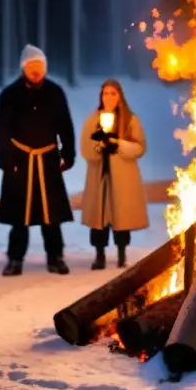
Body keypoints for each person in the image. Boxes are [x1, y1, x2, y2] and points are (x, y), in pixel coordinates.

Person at [0, 45, 76, 276]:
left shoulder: (55, 92)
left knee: (51, 214)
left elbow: (65, 126)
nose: (36, 71)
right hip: (20, 162)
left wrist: (68, 154)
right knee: (19, 215)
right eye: (32, 67)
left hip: (48, 160)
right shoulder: (9, 95)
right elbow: (1, 131)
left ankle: (56, 256)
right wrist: (6, 160)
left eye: (39, 67)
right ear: (23, 68)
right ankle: (15, 258)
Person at [80, 79, 149, 269]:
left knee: (121, 215)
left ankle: (121, 253)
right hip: (100, 175)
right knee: (99, 216)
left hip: (122, 176)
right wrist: (100, 146)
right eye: (105, 93)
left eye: (113, 93)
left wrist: (119, 144)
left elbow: (140, 147)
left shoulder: (130, 120)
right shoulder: (93, 120)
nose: (108, 97)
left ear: (120, 96)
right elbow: (86, 147)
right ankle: (99, 254)